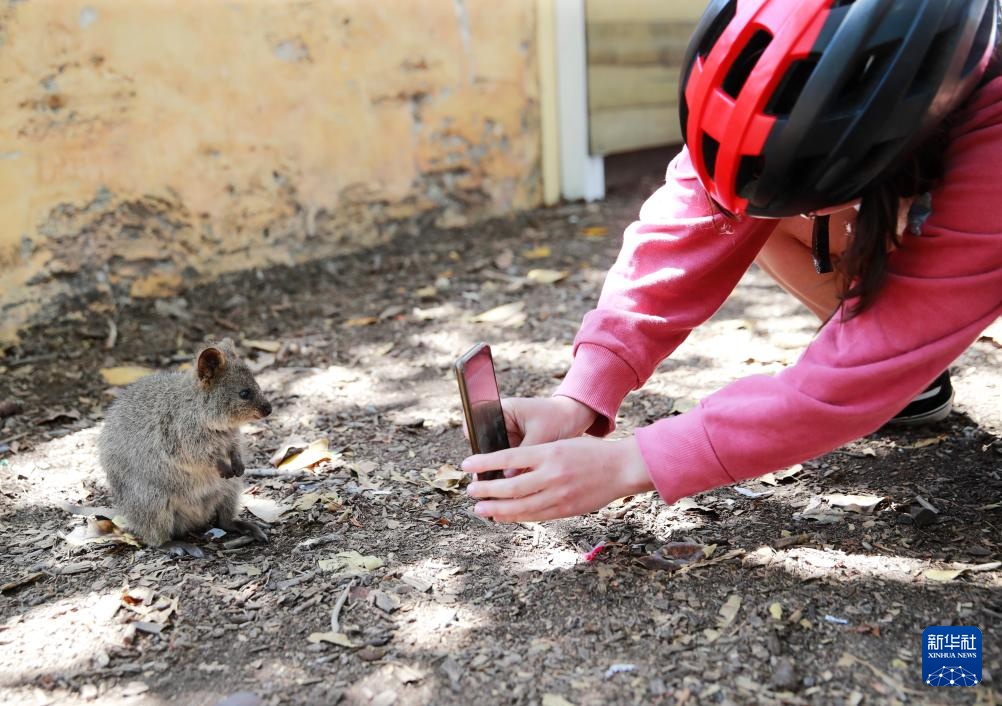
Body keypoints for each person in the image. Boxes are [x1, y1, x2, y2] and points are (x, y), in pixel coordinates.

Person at [461, 0, 1002, 523]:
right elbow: (683, 231)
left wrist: (631, 463)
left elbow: (825, 393)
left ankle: (898, 369)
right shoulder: (769, 76)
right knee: (748, 202)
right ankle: (909, 381)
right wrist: (578, 396)